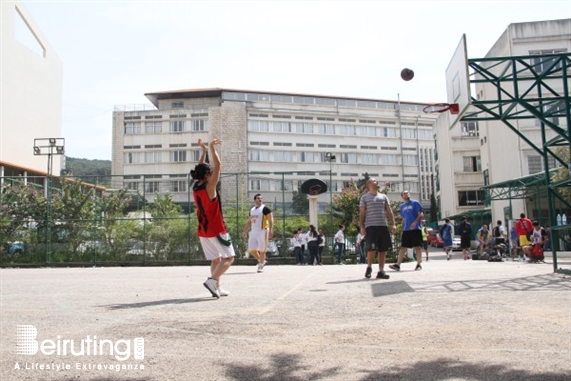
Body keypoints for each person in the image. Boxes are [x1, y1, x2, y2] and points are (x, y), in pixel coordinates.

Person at [191, 138, 235, 299]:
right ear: (208, 175)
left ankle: (216, 287)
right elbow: (219, 166)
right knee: (229, 258)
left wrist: (204, 153)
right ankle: (212, 280)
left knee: (216, 260)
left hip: (203, 229)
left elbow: (200, 168)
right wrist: (211, 148)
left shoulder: (196, 185)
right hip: (216, 228)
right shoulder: (210, 187)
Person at [359, 178, 396, 280]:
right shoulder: (364, 198)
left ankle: (381, 271)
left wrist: (393, 224)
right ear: (369, 184)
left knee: (382, 249)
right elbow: (362, 213)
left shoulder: (383, 197)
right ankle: (369, 267)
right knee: (371, 248)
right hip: (371, 226)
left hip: (383, 226)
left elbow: (389, 211)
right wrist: (362, 226)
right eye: (375, 181)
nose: (377, 182)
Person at [390, 190, 423, 272]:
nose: (406, 194)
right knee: (403, 247)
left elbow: (421, 214)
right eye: (404, 193)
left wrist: (415, 222)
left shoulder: (415, 203)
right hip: (406, 230)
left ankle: (418, 264)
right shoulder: (402, 206)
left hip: (416, 229)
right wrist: (402, 230)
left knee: (417, 247)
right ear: (402, 196)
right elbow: (403, 219)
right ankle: (397, 265)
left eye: (407, 193)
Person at [242, 193, 274, 273]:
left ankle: (260, 266)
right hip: (253, 231)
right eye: (258, 198)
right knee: (251, 249)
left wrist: (271, 230)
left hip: (263, 230)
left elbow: (271, 219)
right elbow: (249, 221)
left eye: (261, 198)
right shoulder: (252, 210)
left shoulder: (265, 209)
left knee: (262, 249)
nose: (260, 199)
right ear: (255, 200)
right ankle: (262, 261)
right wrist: (245, 231)